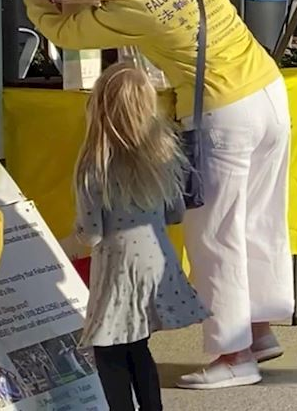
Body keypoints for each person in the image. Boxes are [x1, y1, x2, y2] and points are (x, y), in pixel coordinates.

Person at [2, 0, 292, 389]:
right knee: (259, 220)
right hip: (269, 93)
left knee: (214, 236)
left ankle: (234, 354)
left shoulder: (131, 10)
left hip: (222, 112)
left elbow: (64, 32)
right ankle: (259, 329)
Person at [62, 63, 208, 411]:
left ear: (99, 106)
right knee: (137, 344)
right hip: (156, 263)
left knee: (108, 349)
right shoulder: (163, 154)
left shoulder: (95, 162)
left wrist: (64, 244)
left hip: (117, 269)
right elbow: (175, 214)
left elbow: (92, 234)